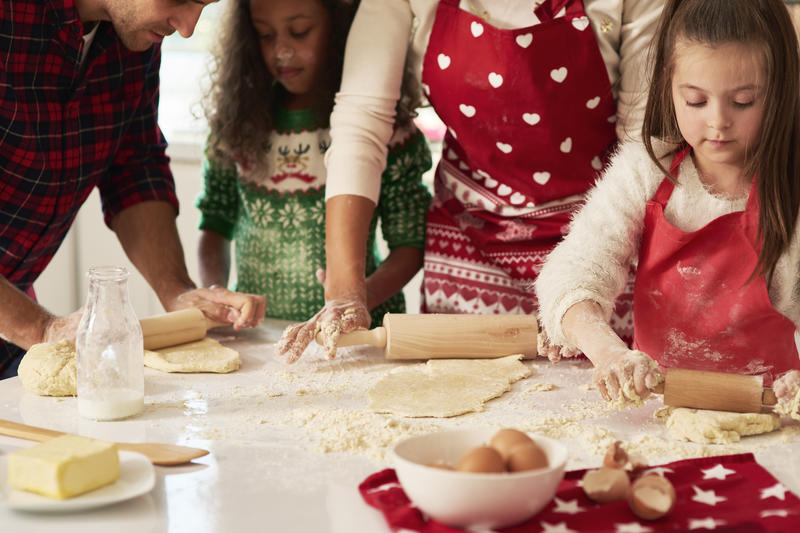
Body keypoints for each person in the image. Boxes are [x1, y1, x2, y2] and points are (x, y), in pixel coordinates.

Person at [276, 0, 666, 363]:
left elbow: (644, 144)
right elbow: (362, 123)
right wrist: (345, 292)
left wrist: (581, 285)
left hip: (601, 244)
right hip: (468, 244)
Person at [534, 0, 800, 406]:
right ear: (668, 86)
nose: (718, 121)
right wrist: (608, 354)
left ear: (782, 90)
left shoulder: (792, 188)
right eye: (696, 100)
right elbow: (574, 270)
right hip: (658, 411)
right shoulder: (645, 171)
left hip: (772, 414)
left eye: (743, 101)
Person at [0, 0, 267, 379]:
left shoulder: (134, 39)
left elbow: (134, 167)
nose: (188, 27)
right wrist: (39, 329)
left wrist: (177, 292)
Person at [196, 0, 431, 331]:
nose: (282, 51)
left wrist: (356, 299)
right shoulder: (237, 128)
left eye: (300, 32)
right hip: (259, 335)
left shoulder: (387, 133)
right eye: (264, 35)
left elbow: (410, 244)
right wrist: (215, 293)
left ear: (342, 28)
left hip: (360, 335)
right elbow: (215, 223)